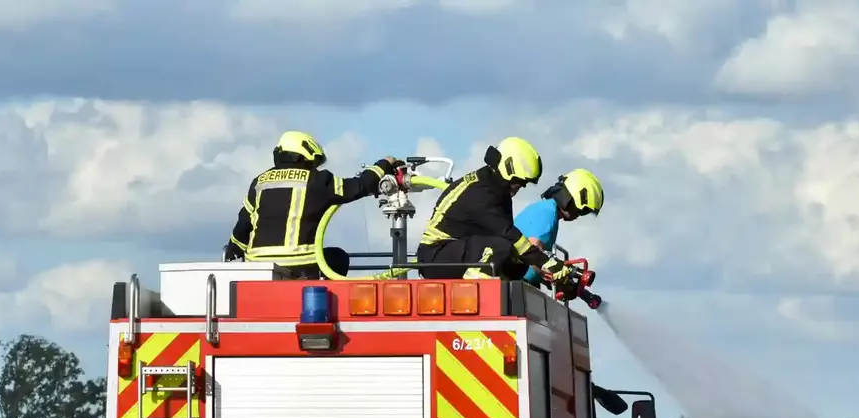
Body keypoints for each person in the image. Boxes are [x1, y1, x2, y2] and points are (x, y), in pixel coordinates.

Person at [224, 130, 400, 279]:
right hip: (302, 266)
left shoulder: (259, 182)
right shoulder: (317, 180)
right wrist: (384, 164)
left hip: (259, 270)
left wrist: (233, 248)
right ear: (306, 155)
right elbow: (360, 186)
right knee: (338, 258)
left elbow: (242, 227)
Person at [414, 136, 570, 286]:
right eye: (520, 181)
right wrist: (545, 261)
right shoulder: (481, 192)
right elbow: (508, 234)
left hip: (455, 252)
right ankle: (475, 289)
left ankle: (492, 286)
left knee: (517, 263)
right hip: (435, 257)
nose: (521, 186)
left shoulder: (497, 190)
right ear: (508, 169)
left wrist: (541, 267)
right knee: (501, 247)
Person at [512, 167, 604, 285]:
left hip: (519, 282)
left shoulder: (547, 210)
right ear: (571, 199)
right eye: (583, 210)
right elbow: (533, 256)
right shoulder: (547, 214)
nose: (580, 215)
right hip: (514, 283)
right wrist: (560, 278)